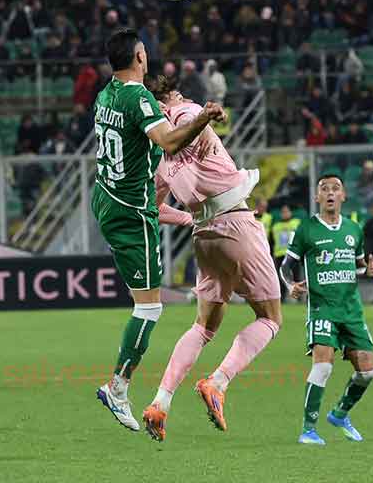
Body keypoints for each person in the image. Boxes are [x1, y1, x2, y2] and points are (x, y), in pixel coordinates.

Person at [92, 28, 226, 432]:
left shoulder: (106, 94)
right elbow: (168, 142)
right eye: (144, 51)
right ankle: (117, 387)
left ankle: (119, 386)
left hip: (106, 196)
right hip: (132, 212)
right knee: (149, 307)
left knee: (145, 302)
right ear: (139, 57)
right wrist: (203, 117)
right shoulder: (138, 97)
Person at [141, 75, 281, 441]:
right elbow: (189, 119)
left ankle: (160, 402)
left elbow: (153, 208)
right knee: (270, 318)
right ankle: (217, 382)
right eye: (177, 93)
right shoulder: (185, 112)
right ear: (167, 99)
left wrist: (189, 218)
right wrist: (206, 114)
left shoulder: (160, 157)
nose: (183, 97)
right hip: (236, 222)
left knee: (204, 327)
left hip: (204, 234)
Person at [281, 173, 373, 445]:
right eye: (324, 189)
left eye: (335, 188)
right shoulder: (306, 229)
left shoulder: (353, 229)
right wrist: (290, 285)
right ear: (317, 197)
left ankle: (340, 414)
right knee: (323, 367)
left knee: (368, 372)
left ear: (343, 196)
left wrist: (368, 271)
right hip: (322, 309)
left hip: (351, 310)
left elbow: (357, 266)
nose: (330, 192)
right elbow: (286, 266)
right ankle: (308, 430)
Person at [271, 205, 301, 301]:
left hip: (293, 254)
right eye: (283, 212)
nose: (285, 214)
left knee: (296, 276)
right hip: (279, 255)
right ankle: (281, 298)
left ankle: (298, 297)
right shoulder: (276, 226)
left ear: (291, 212)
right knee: (280, 278)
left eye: (287, 211)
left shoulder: (296, 222)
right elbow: (272, 240)